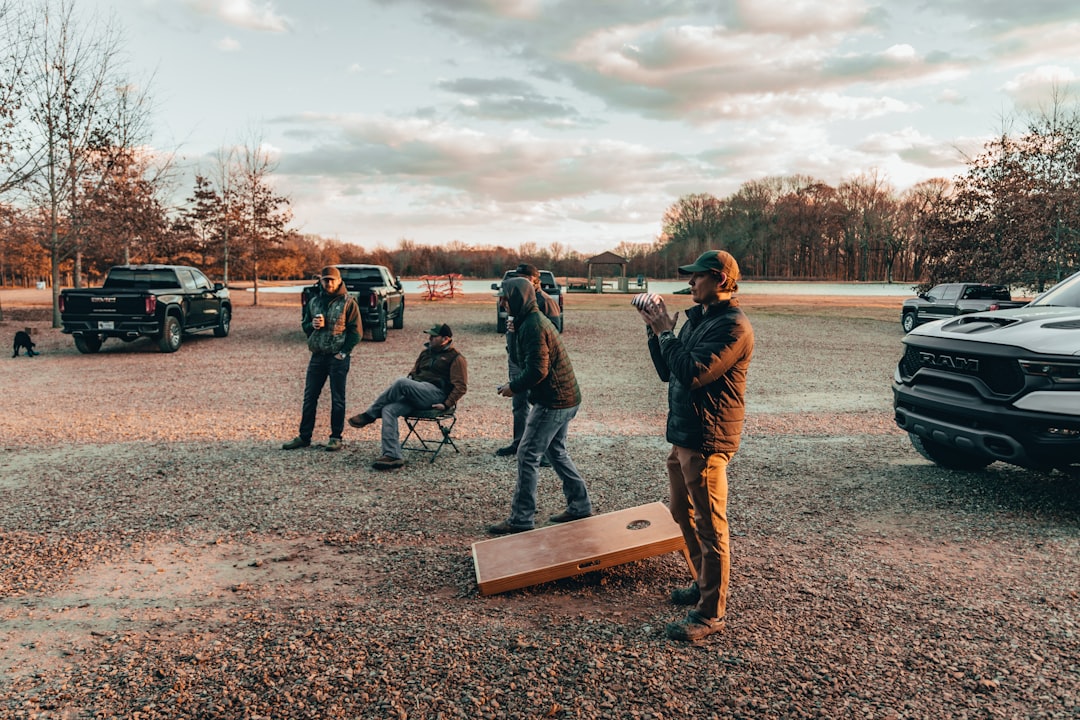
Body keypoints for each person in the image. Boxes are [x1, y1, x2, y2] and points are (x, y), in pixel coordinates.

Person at [637, 249, 754, 643]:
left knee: (710, 526)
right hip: (683, 436)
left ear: (719, 279)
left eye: (696, 277)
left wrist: (667, 333)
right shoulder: (698, 320)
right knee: (680, 512)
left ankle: (709, 613)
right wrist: (657, 331)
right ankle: (703, 581)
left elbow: (692, 374)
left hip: (707, 440)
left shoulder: (733, 327)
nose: (689, 283)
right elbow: (667, 371)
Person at [487, 277, 592, 534]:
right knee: (556, 452)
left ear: (517, 298)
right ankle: (580, 505)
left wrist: (514, 387)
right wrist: (511, 334)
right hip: (565, 398)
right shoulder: (525, 322)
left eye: (505, 297)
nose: (501, 302)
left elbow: (537, 370)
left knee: (527, 454)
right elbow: (517, 359)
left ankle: (521, 519)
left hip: (554, 401)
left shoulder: (534, 326)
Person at [348, 323, 467, 470]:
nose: (429, 338)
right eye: (429, 335)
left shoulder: (456, 358)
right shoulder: (425, 353)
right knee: (388, 409)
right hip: (417, 393)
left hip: (436, 395)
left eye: (434, 336)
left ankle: (370, 414)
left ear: (446, 339)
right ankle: (392, 455)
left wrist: (446, 404)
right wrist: (409, 384)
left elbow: (460, 386)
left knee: (400, 382)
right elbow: (413, 373)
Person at [283, 266, 361, 452]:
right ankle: (304, 436)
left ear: (339, 280)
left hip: (337, 358)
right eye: (326, 280)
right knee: (309, 397)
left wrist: (343, 352)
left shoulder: (349, 302)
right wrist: (313, 325)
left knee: (338, 399)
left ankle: (336, 437)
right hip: (317, 356)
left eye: (332, 280)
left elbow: (356, 332)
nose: (329, 283)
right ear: (321, 281)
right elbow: (305, 325)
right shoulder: (314, 301)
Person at [495, 263, 561, 464]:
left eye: (525, 277)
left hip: (535, 361)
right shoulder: (517, 297)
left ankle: (545, 452)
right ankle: (519, 443)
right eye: (518, 277)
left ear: (535, 279)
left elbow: (553, 333)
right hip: (516, 359)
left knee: (541, 406)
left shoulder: (546, 302)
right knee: (519, 403)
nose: (521, 281)